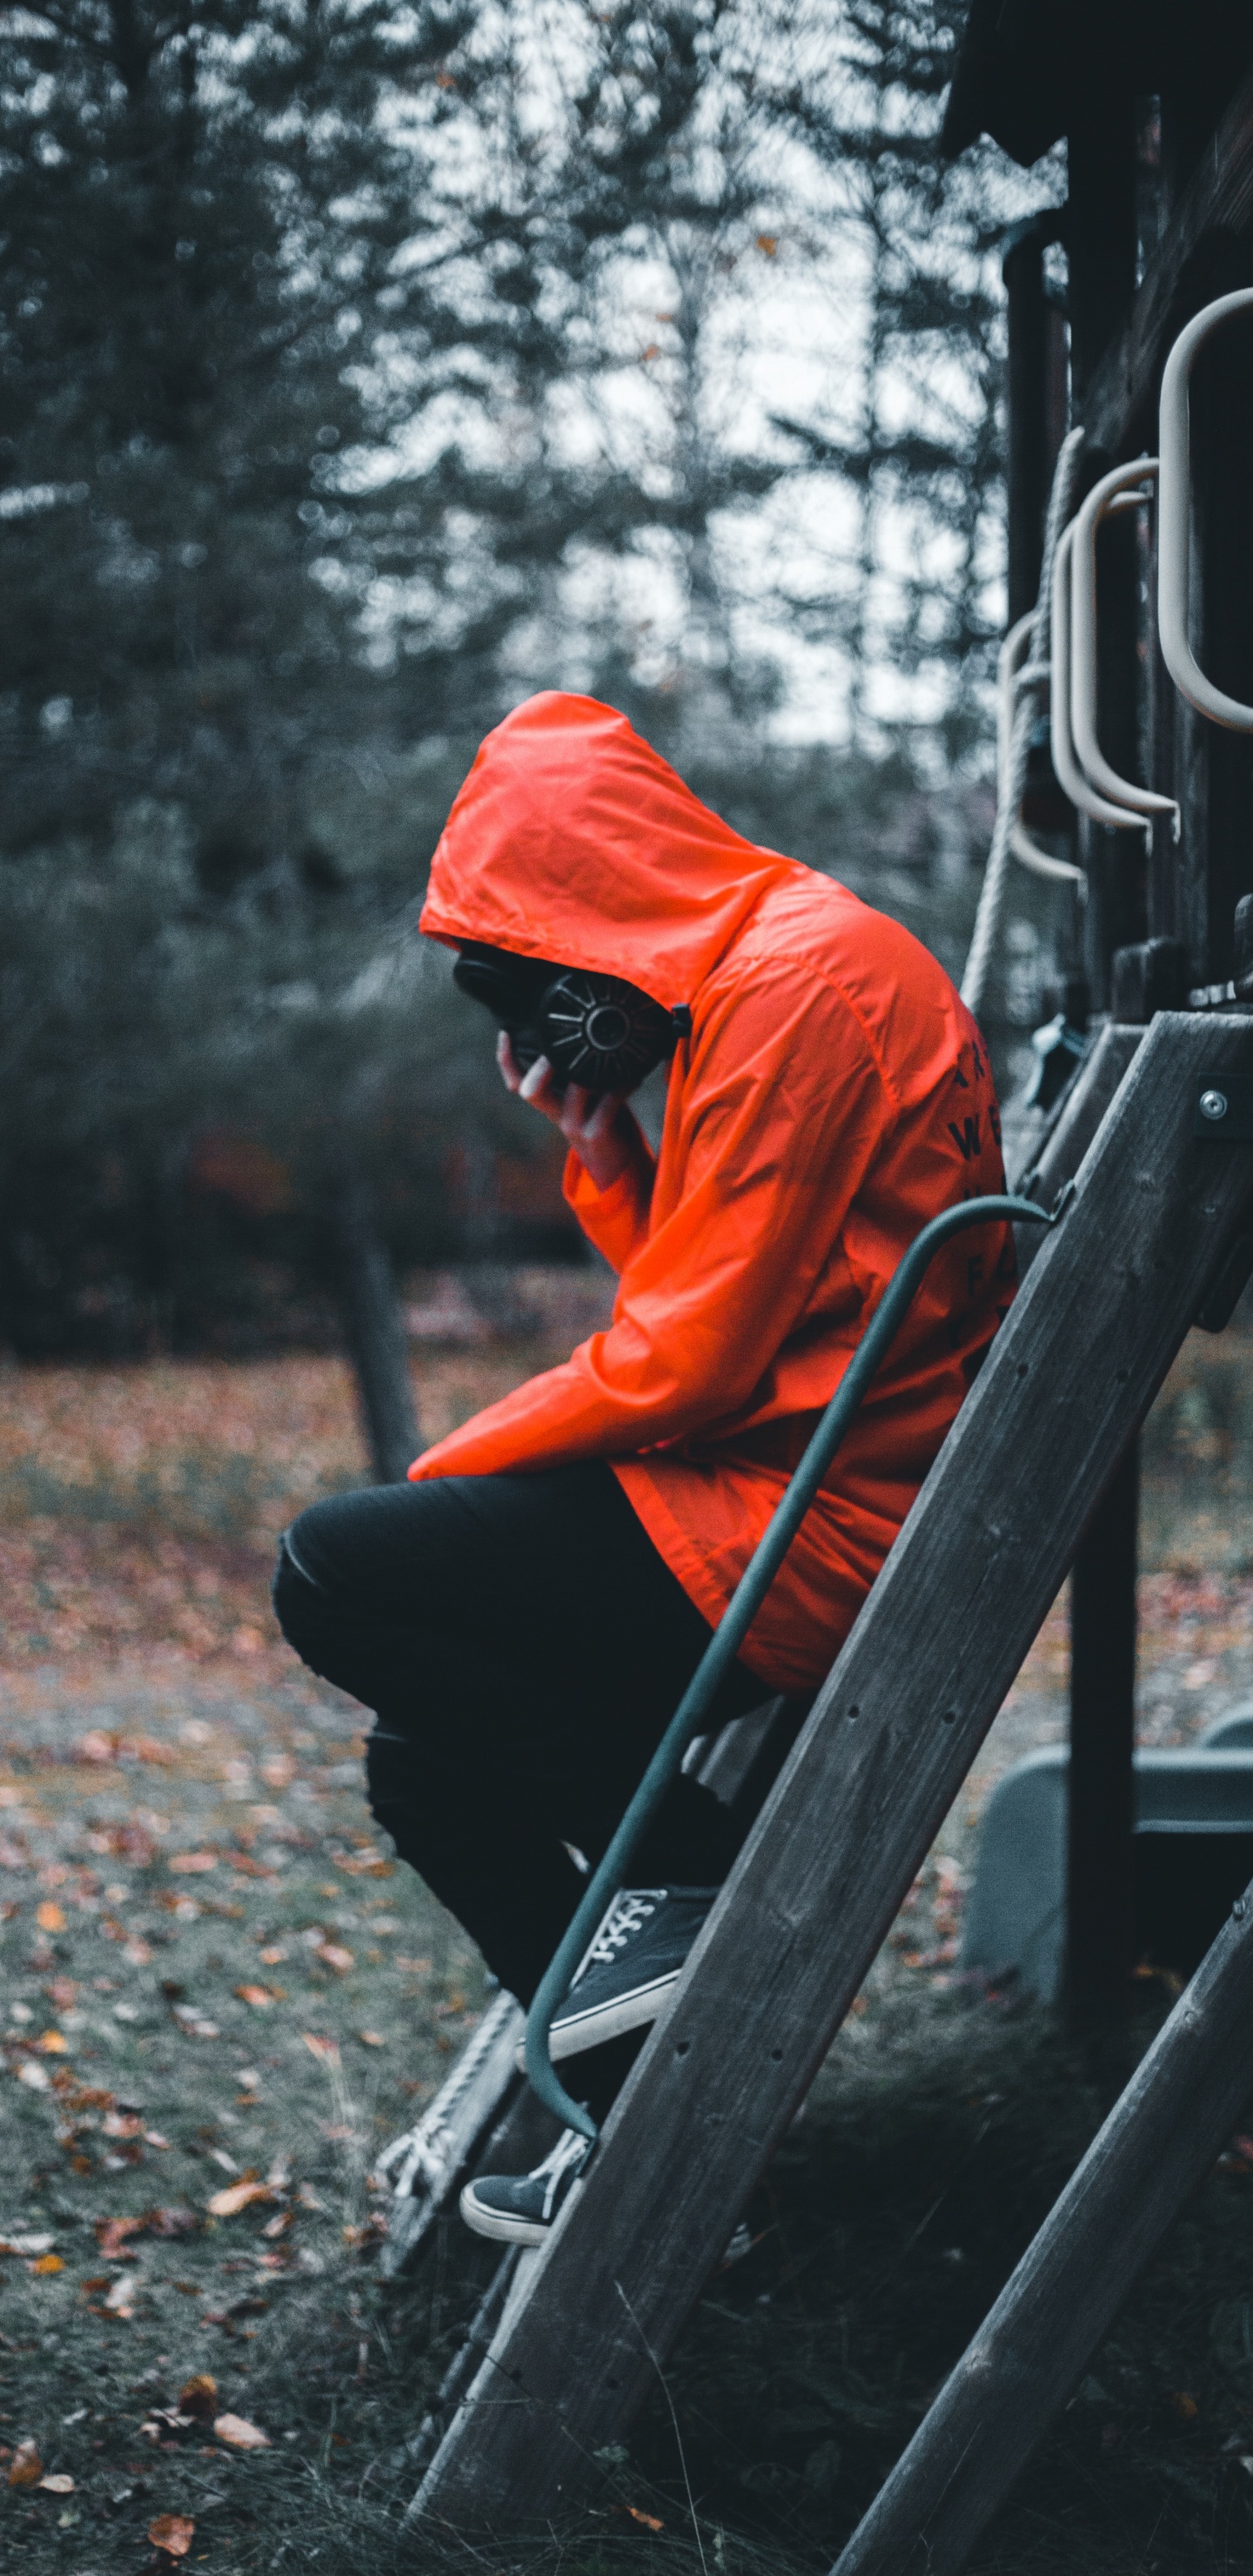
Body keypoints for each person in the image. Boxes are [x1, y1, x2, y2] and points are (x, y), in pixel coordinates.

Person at [272, 690, 1014, 2245]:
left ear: (589, 909)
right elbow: (705, 1306)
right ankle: (647, 2137)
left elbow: (688, 1364)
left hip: (801, 1527)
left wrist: (440, 1477)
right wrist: (607, 1147)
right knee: (423, 1760)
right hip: (770, 1491)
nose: (531, 1022)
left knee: (337, 1566)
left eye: (529, 981)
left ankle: (688, 1880)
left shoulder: (799, 987)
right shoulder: (778, 969)